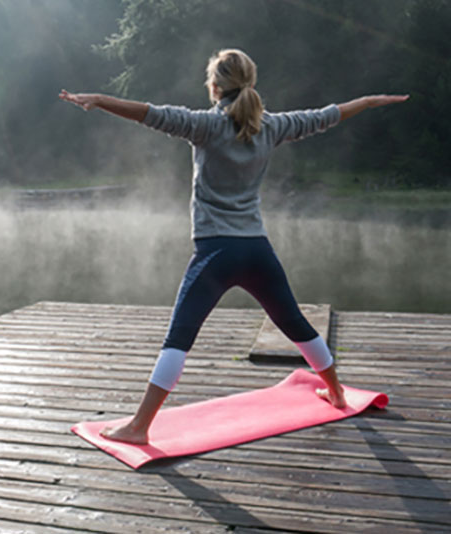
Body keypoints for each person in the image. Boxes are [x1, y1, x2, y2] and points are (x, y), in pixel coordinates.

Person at [59, 48, 408, 444]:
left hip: (215, 253)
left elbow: (148, 113)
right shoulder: (272, 126)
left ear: (214, 86)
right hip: (257, 250)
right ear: (249, 83)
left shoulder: (204, 126)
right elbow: (326, 115)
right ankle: (338, 392)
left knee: (179, 337)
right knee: (294, 323)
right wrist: (368, 102)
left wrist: (100, 100)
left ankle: (139, 427)